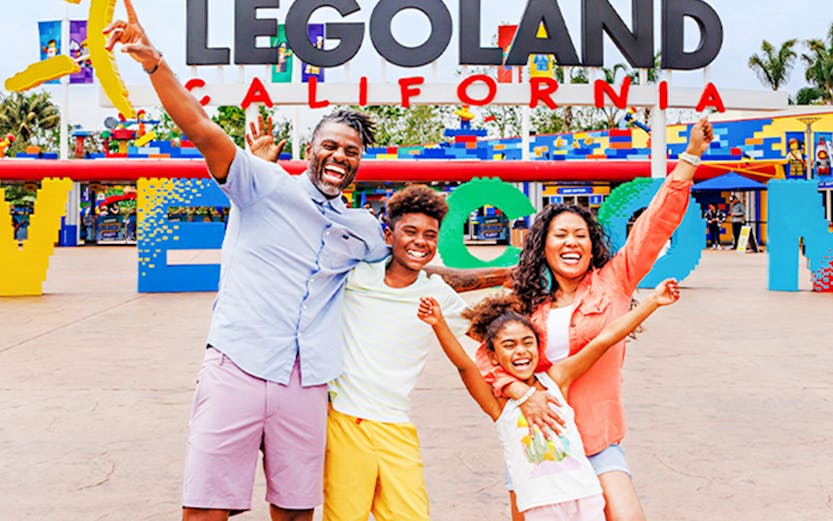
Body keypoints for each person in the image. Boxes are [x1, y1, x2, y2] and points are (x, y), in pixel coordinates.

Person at [105, 5, 508, 519]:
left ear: (359, 162)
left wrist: (509, 274)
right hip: (238, 365)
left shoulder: (364, 229)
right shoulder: (262, 184)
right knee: (206, 509)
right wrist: (154, 63)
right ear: (311, 147)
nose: (340, 156)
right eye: (330, 145)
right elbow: (200, 127)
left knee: (297, 511)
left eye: (352, 151)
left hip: (308, 381)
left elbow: (415, 267)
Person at [475, 119, 713, 520]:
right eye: (560, 235)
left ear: (591, 244)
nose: (571, 242)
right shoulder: (524, 300)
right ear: (543, 245)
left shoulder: (614, 281)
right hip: (540, 438)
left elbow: (655, 225)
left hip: (598, 440)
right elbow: (484, 357)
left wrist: (689, 156)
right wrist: (520, 392)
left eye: (580, 235)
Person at [418, 280, 681, 521]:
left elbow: (604, 340)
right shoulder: (499, 404)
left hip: (585, 496)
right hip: (538, 506)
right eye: (509, 345)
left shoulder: (556, 380)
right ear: (493, 356)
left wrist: (653, 302)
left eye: (527, 342)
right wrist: (438, 323)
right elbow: (465, 366)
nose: (521, 351)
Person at [324, 185, 469, 521]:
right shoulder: (356, 277)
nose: (420, 241)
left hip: (397, 425)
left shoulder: (437, 293)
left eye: (430, 235)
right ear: (389, 236)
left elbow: (485, 330)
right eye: (410, 231)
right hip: (345, 421)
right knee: (344, 515)